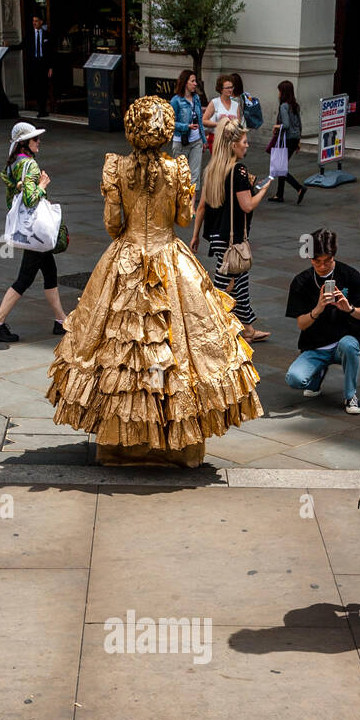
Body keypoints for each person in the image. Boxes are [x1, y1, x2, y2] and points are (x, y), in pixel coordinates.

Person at [48, 97, 263, 467]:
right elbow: (181, 216)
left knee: (122, 353)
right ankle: (176, 444)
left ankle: (122, 444)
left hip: (126, 259)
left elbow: (113, 225)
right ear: (165, 131)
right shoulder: (178, 168)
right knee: (177, 350)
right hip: (169, 259)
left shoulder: (115, 168)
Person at [193, 116, 273, 343]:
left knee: (238, 281)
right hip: (232, 236)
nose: (247, 145)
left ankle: (246, 328)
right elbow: (247, 205)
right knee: (225, 284)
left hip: (217, 236)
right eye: (245, 141)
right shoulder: (238, 170)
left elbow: (201, 206)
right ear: (233, 145)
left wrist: (196, 235)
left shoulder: (213, 169)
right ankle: (209, 324)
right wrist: (264, 189)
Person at [0, 122, 67, 342]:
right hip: (35, 231)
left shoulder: (14, 164)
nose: (39, 141)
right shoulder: (29, 165)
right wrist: (43, 184)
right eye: (35, 139)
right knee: (24, 279)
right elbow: (31, 199)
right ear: (25, 143)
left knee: (49, 272)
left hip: (29, 230)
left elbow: (12, 197)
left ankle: (61, 320)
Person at [285, 227, 360, 414]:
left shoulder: (350, 275)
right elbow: (301, 324)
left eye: (327, 261)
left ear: (334, 256)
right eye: (317, 261)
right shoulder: (302, 281)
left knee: (349, 345)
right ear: (309, 258)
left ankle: (351, 395)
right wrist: (318, 309)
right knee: (294, 379)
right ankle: (318, 373)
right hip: (315, 346)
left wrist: (349, 309)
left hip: (344, 342)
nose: (322, 266)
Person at [268, 79, 306, 204]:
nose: (278, 94)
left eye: (279, 91)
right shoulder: (295, 105)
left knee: (280, 167)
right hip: (294, 139)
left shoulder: (284, 106)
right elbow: (299, 125)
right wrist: (299, 140)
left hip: (286, 139)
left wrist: (276, 127)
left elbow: (286, 125)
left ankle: (299, 188)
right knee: (281, 166)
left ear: (283, 93)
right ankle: (279, 195)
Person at [170, 69, 206, 193]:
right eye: (193, 81)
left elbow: (200, 119)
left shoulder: (196, 98)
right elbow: (170, 122)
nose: (195, 83)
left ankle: (191, 206)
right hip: (181, 142)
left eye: (195, 81)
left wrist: (204, 139)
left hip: (196, 141)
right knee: (181, 175)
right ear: (185, 83)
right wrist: (186, 127)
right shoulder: (176, 100)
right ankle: (181, 204)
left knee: (195, 174)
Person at [202, 74, 241, 147]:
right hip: (216, 139)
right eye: (227, 88)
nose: (230, 90)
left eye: (232, 87)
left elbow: (238, 124)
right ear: (221, 89)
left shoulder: (236, 105)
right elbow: (204, 121)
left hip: (231, 140)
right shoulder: (215, 102)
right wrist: (219, 124)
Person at [26, 12, 52, 117]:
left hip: (44, 64)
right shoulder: (29, 35)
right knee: (37, 87)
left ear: (41, 22)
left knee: (44, 87)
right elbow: (23, 45)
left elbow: (51, 52)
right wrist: (9, 47)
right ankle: (40, 108)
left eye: (36, 21)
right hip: (34, 64)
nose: (34, 23)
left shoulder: (47, 35)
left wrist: (51, 67)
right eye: (33, 21)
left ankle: (43, 109)